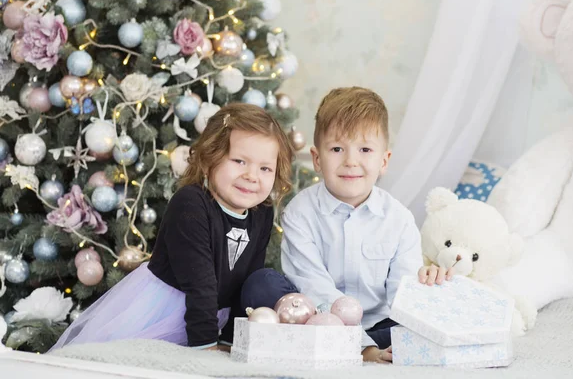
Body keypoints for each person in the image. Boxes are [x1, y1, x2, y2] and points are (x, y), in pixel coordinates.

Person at [50, 103, 294, 352]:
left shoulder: (262, 211)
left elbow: (247, 283)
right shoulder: (191, 203)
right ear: (210, 159)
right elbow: (200, 283)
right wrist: (207, 347)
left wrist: (232, 340)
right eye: (240, 161)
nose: (252, 176)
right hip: (165, 310)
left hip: (209, 313)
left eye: (265, 168)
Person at [241, 87, 452, 363]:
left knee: (418, 323)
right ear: (317, 159)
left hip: (379, 327)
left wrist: (426, 291)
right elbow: (312, 285)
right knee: (262, 285)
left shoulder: (399, 219)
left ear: (384, 160)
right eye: (337, 149)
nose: (351, 161)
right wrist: (361, 348)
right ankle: (337, 347)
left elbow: (403, 289)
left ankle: (373, 347)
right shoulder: (300, 213)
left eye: (365, 149)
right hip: (314, 320)